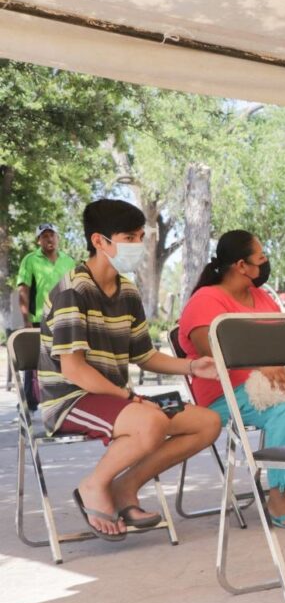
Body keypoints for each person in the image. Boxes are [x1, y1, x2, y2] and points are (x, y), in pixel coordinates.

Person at [38, 199, 222, 541]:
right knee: (150, 421)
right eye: (129, 236)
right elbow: (75, 371)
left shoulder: (128, 291)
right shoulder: (72, 290)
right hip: (72, 399)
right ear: (99, 241)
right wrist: (132, 398)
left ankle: (126, 488)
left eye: (140, 235)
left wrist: (193, 365)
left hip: (117, 400)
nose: (138, 244)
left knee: (207, 422)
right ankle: (93, 485)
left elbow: (144, 355)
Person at [179, 229, 285, 529]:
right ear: (241, 266)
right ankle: (279, 493)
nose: (266, 263)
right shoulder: (205, 300)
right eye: (260, 258)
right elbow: (213, 352)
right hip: (226, 394)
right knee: (284, 409)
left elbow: (280, 342)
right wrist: (261, 364)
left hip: (278, 382)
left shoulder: (262, 298)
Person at [16, 223, 75, 412]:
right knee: (34, 362)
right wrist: (26, 322)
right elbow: (23, 290)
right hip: (38, 319)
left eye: (52, 235)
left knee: (63, 361)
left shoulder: (68, 261)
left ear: (57, 237)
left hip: (63, 317)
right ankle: (29, 406)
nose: (49, 239)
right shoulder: (30, 260)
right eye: (44, 236)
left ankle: (63, 404)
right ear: (38, 240)